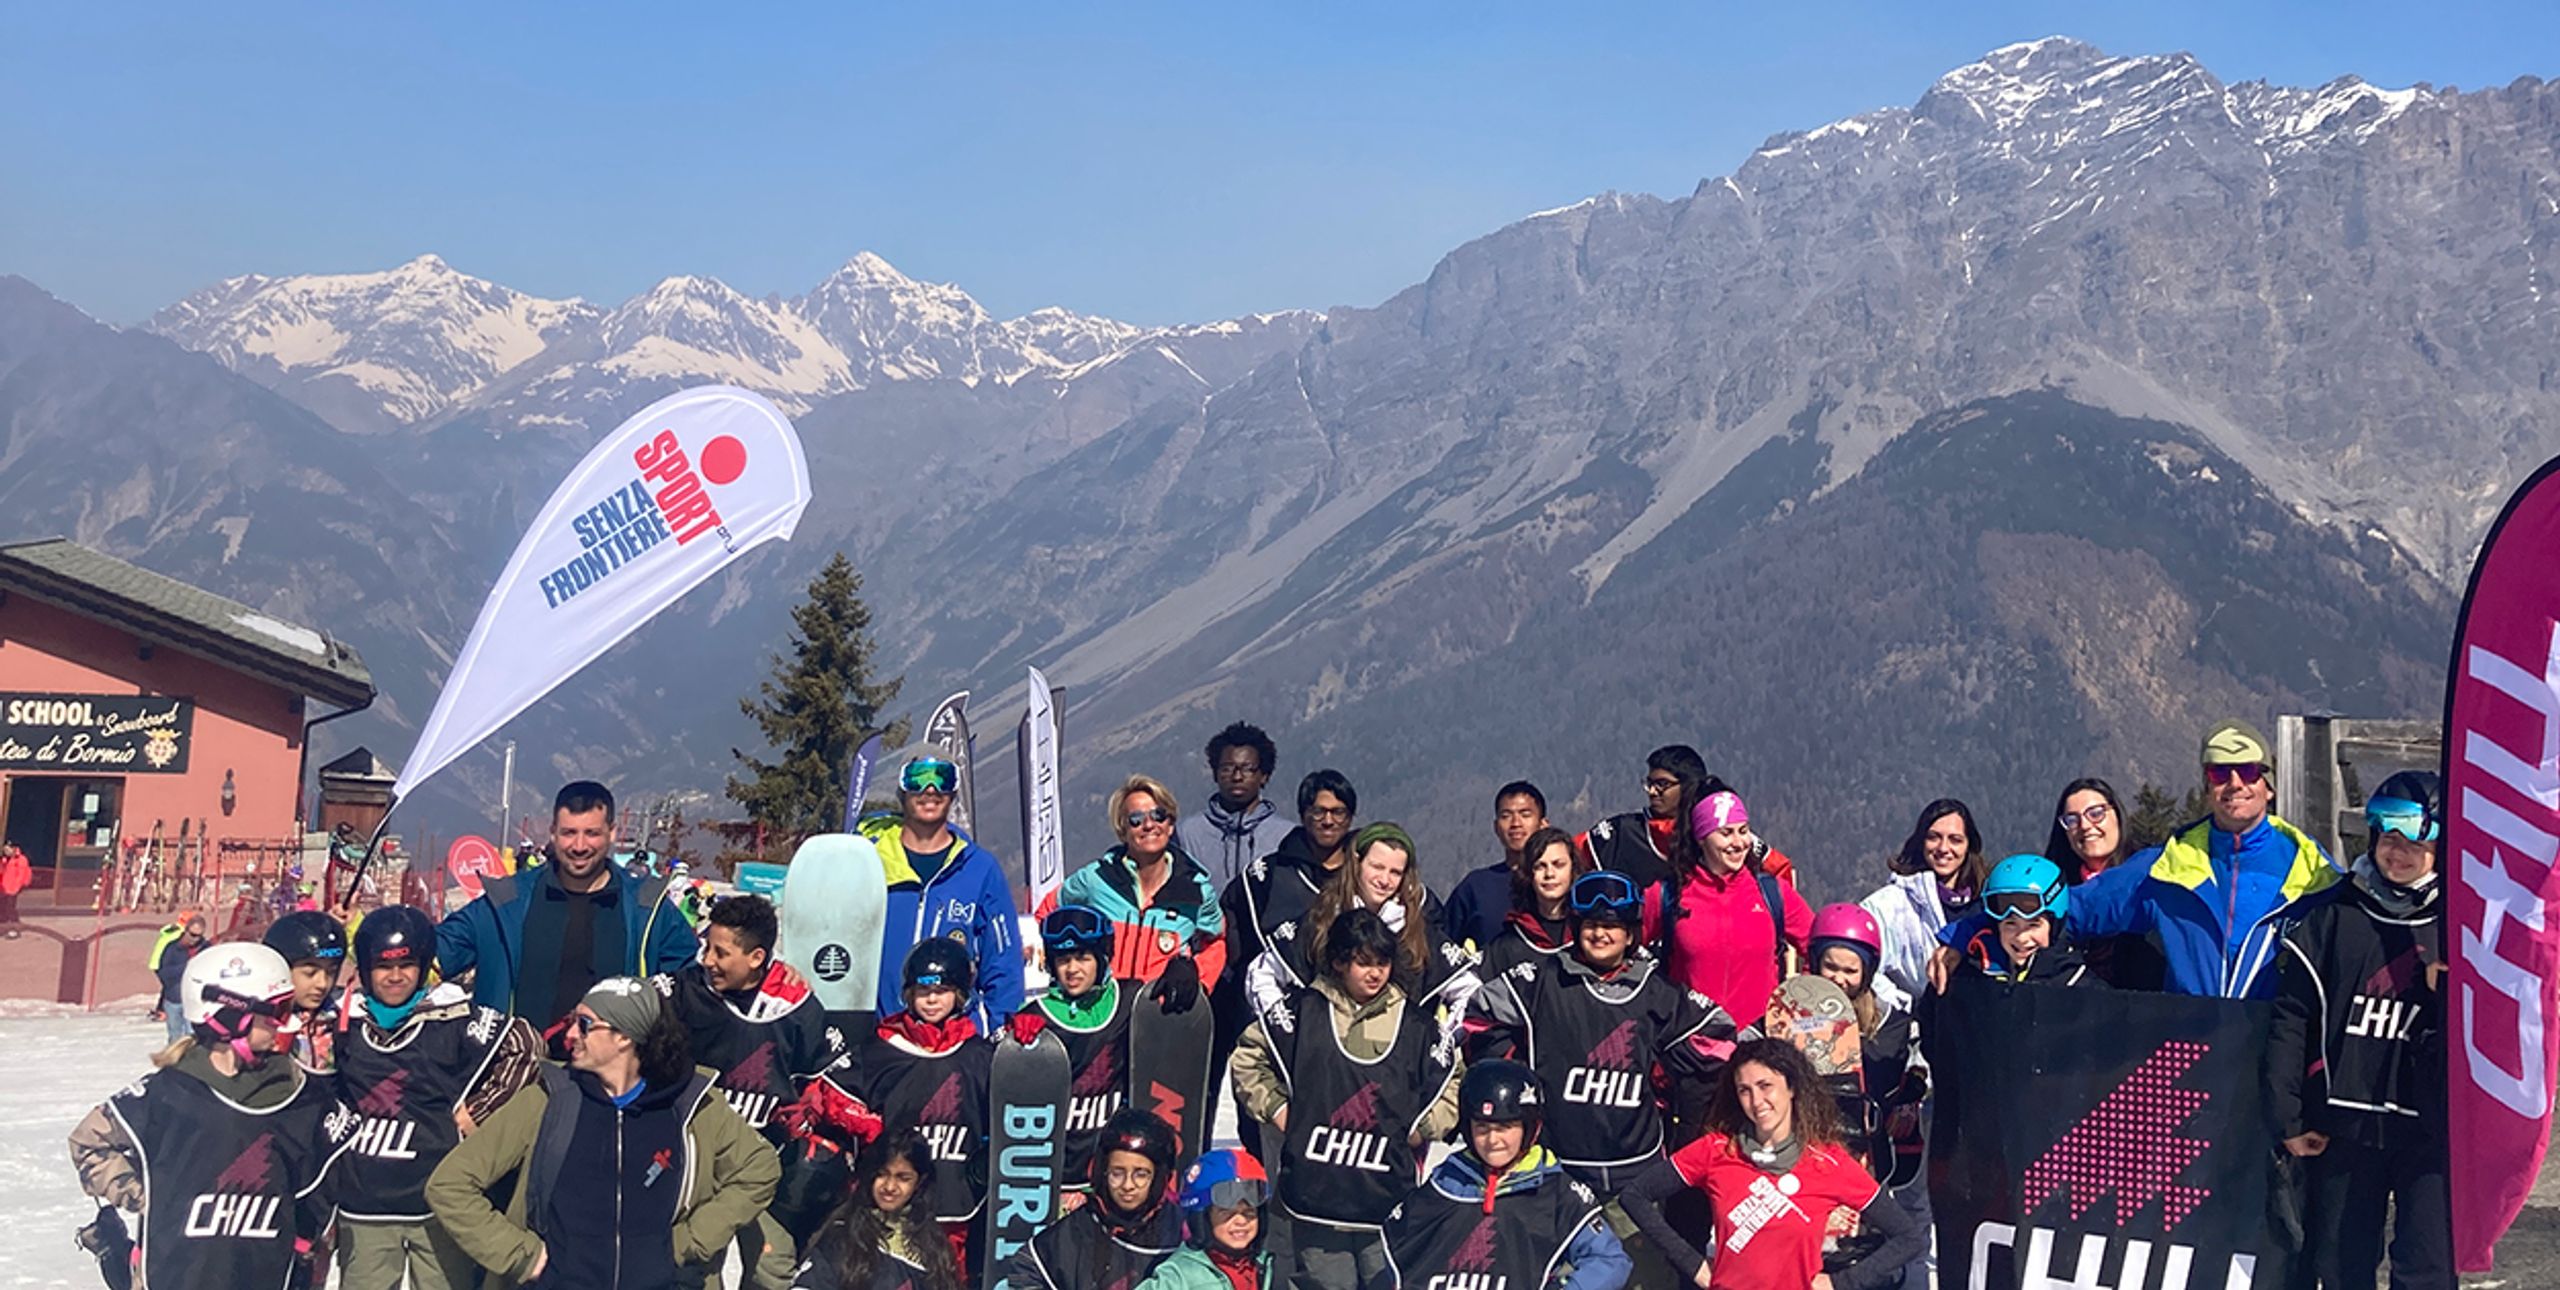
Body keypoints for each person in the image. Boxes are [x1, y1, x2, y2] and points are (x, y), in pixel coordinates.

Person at [1935, 720, 2342, 1000]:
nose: (2234, 784)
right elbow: (2063, 908)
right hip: (2190, 1056)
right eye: (2220, 774)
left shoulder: (2314, 875)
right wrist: (1964, 933)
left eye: (2248, 770)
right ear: (2206, 787)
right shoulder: (2166, 869)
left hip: (2273, 1059)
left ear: (2267, 786)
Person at [425, 976, 781, 1288]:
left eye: (584, 1024)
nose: (569, 1035)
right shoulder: (546, 1101)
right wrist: (521, 1255)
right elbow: (450, 1185)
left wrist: (691, 1241)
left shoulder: (691, 1105)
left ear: (624, 1036)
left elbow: (759, 1168)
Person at [1466, 870, 1730, 1289]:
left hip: (1636, 1180)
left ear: (1630, 934)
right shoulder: (1542, 980)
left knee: (1643, 1278)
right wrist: (1517, 1078)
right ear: (1576, 927)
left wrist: (1671, 1087)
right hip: (1555, 1175)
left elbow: (1717, 1038)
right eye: (1591, 925)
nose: (1600, 934)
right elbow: (1479, 1016)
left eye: (1612, 926)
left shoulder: (1654, 991)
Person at [69, 941, 345, 1290]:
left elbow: (325, 1176)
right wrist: (148, 1196)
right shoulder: (169, 1091)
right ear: (232, 1013)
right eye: (274, 1010)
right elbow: (88, 1142)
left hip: (264, 1271)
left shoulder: (295, 1091)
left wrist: (307, 1239)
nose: (282, 1021)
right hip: (177, 1270)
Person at [2267, 770, 2450, 1290]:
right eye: (2387, 838)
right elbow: (2292, 1018)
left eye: (2414, 842)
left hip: (2430, 1129)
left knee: (2429, 1268)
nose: (2397, 853)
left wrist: (2452, 999)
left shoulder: (2459, 926)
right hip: (2345, 1127)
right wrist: (2289, 1114)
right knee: (2342, 1266)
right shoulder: (2334, 917)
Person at [1231, 907, 1462, 1290]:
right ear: (1339, 962)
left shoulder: (1417, 1027)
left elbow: (1452, 1081)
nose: (1375, 973)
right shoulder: (1300, 1013)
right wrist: (1278, 1110)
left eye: (1383, 963)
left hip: (1385, 1198)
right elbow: (1248, 1058)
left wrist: (1422, 1129)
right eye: (1363, 962)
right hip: (1317, 1198)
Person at [332, 905, 544, 1290]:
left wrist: (481, 1109)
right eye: (382, 967)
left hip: (435, 1203)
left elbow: (526, 1045)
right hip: (364, 1202)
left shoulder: (453, 1016)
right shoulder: (346, 1022)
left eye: (407, 965)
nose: (395, 976)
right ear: (365, 968)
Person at [1618, 1039, 1927, 1290]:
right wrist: (1693, 1264)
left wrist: (1840, 1283)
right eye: (1744, 1090)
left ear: (1791, 1087)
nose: (1756, 1101)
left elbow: (1907, 1237)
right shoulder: (1716, 1150)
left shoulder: (1828, 1162)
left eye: (1766, 1086)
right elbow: (1635, 1196)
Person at [656, 893, 851, 1289]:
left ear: (757, 958)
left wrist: (814, 1112)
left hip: (762, 1175)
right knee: (689, 1269)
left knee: (770, 1269)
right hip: (688, 1167)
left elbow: (839, 1078)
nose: (708, 960)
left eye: (721, 953)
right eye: (706, 946)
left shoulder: (797, 1007)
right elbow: (624, 1010)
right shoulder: (683, 992)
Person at [435, 780, 699, 1037]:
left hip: (614, 1075)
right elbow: (429, 952)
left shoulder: (648, 909)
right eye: (569, 833)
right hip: (516, 1069)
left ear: (613, 832)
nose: (579, 846)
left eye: (592, 833)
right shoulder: (505, 903)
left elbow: (694, 986)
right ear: (553, 833)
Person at [1379, 1059, 1633, 1290]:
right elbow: (1401, 1252)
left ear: (1530, 1128)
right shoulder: (1446, 1181)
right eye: (1482, 1127)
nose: (1493, 1140)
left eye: (1505, 1127)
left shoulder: (1557, 1192)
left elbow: (1609, 1260)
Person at [1215, 768, 1361, 1161]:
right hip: (1279, 1022)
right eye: (1318, 811)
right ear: (1302, 814)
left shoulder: (1368, 875)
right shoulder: (1267, 876)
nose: (1328, 820)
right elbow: (1236, 944)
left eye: (1338, 812)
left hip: (1351, 1028)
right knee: (1268, 1137)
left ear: (1350, 818)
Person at [1804, 903, 1928, 1286]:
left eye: (1849, 969)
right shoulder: (1790, 1014)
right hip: (1810, 1150)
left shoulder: (1892, 1025)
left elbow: (1918, 1069)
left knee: (1867, 1246)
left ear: (1867, 972)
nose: (1839, 978)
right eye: (1830, 967)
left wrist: (1911, 1091)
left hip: (1870, 1156)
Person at [1244, 822, 1477, 1024]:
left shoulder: (1417, 932)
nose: (1384, 880)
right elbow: (1262, 975)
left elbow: (1469, 989)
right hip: (1322, 1058)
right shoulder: (1321, 920)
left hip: (1396, 1065)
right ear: (1357, 863)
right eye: (1376, 867)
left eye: (1395, 872)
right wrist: (1285, 1026)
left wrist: (1445, 1034)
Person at [864, 938, 995, 1276]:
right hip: (893, 1203)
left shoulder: (979, 1055)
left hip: (956, 1203)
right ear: (909, 993)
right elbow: (837, 1098)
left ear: (960, 995)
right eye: (924, 992)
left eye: (942, 990)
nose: (932, 999)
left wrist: (1024, 1053)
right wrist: (865, 1127)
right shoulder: (883, 1047)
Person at [874, 756, 1026, 1031]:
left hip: (956, 1043)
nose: (930, 789)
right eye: (917, 778)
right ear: (902, 789)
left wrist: (1001, 1032)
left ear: (954, 792)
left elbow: (1003, 963)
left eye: (942, 778)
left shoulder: (979, 868)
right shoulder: (871, 861)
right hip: (883, 1038)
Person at [1661, 791, 1812, 1051]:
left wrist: (1796, 1002)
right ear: (1701, 838)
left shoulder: (1772, 893)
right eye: (1726, 833)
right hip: (1691, 1056)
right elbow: (1622, 939)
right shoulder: (1669, 895)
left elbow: (1821, 946)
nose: (1739, 842)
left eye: (1743, 831)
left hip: (1759, 1049)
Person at [1059, 774, 1224, 1008]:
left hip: (1160, 1018)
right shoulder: (1095, 879)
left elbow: (1216, 941)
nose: (1149, 825)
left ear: (1170, 825)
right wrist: (1067, 966)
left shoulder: (1196, 889)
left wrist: (1197, 976)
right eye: (1136, 819)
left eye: (1158, 815)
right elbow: (1049, 913)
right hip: (1100, 1014)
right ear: (1122, 830)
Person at [1015, 905, 1136, 1206]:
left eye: (1083, 957)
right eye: (1063, 960)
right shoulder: (1037, 1016)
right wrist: (1011, 1042)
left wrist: (1180, 972)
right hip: (1058, 1177)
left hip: (1113, 1174)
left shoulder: (1127, 1002)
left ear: (1101, 958)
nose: (1072, 969)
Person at [997, 1108, 1186, 1289]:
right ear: (1101, 1172)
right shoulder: (1075, 1232)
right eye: (1117, 1173)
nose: (1128, 1185)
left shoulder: (1181, 1231)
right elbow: (1026, 1270)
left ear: (1160, 1178)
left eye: (1141, 1175)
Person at [791, 1129, 967, 1289]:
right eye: (882, 1174)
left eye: (903, 1178)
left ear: (919, 1182)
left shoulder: (933, 1250)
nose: (890, 1187)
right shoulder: (843, 1237)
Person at [1857, 799, 1987, 1012]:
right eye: (1933, 837)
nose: (1943, 848)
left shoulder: (1987, 902)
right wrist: (1908, 1010)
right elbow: (1863, 966)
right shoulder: (1890, 904)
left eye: (1955, 840)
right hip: (1917, 1033)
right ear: (1920, 841)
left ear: (1969, 847)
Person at [2039, 777, 2166, 989]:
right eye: (2072, 819)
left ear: (2117, 814)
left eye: (2096, 814)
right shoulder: (2056, 888)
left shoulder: (2151, 872)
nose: (2085, 826)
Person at [1939, 855, 2101, 989]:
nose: (2022, 937)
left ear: (2054, 927)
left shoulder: (2077, 984)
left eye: (2033, 925)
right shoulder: (1974, 974)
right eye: (2010, 924)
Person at [1134, 1149, 1273, 1290]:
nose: (1241, 1221)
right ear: (1202, 1219)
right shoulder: (1180, 1276)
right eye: (1226, 1213)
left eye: (1249, 1212)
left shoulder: (1269, 1266)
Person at [1175, 722, 1288, 890]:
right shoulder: (1186, 834)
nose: (1237, 777)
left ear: (1264, 775)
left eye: (1247, 769)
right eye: (1227, 769)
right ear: (1215, 774)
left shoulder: (1285, 836)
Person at [1444, 781, 1553, 952]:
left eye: (1525, 814)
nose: (1516, 823)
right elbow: (1443, 946)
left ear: (1543, 825)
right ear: (1496, 827)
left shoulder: (1558, 884)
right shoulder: (1476, 887)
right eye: (1506, 816)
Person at [1477, 825, 1596, 981]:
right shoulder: (1508, 945)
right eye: (1540, 866)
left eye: (1558, 865)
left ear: (1573, 869)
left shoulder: (1591, 935)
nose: (1549, 874)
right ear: (1528, 873)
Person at [264, 908, 348, 1075]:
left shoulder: (341, 1014)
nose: (322, 984)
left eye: (331, 972)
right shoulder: (261, 1023)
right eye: (310, 973)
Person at [150, 910, 208, 1045]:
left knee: (192, 1037)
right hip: (174, 998)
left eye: (199, 935)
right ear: (186, 930)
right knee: (175, 1038)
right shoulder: (172, 948)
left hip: (194, 1000)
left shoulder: (205, 948)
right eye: (192, 935)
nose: (195, 939)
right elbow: (165, 973)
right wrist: (186, 967)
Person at [0, 837, 28, 935]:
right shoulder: (4, 859)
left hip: (12, 888)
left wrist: (15, 888)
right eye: (4, 849)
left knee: (11, 909)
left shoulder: (20, 859)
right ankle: (3, 929)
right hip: (3, 888)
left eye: (7, 849)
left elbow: (20, 876)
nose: (6, 851)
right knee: (2, 909)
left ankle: (15, 929)